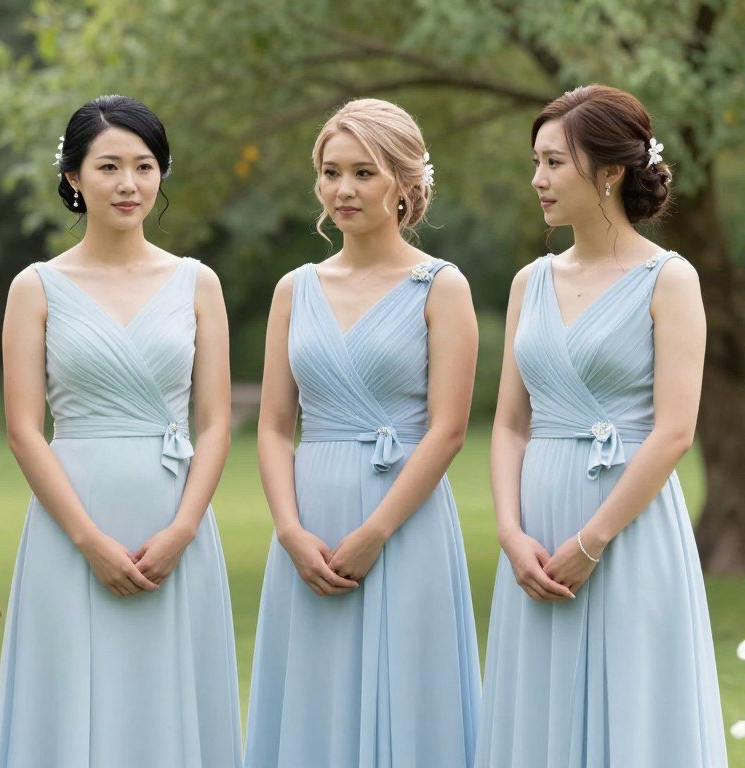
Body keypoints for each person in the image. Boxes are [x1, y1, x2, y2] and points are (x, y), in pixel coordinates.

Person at [476, 84, 727, 767]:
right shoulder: (530, 281)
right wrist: (510, 531)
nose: (538, 179)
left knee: (634, 712)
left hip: (626, 528)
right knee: (538, 718)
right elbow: (508, 425)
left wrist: (592, 541)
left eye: (555, 163)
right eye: (537, 162)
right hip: (534, 532)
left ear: (611, 171)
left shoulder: (669, 280)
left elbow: (674, 432)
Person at [0, 95, 242, 768]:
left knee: (169, 701)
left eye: (144, 166)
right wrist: (88, 539)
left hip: (173, 519)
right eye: (108, 166)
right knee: (69, 700)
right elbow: (22, 430)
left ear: (161, 174)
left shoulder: (197, 282)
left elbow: (215, 422)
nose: (128, 184)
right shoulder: (35, 286)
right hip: (73, 522)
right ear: (73, 177)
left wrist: (185, 527)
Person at [245, 98, 481, 768]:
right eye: (330, 171)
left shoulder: (441, 286)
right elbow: (271, 427)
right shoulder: (294, 289)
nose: (342, 189)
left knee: (409, 699)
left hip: (404, 520)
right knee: (312, 702)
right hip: (309, 521)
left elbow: (449, 429)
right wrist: (290, 530)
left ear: (405, 183)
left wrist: (377, 530)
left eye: (363, 172)